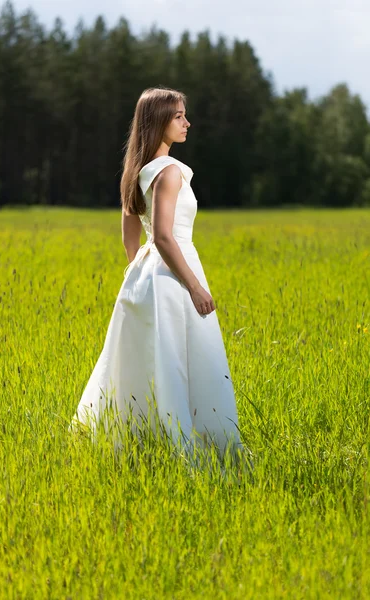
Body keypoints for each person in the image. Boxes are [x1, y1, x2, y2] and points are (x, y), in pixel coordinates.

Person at [69, 86, 244, 460]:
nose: (187, 122)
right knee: (185, 359)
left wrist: (141, 276)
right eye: (179, 116)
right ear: (159, 121)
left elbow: (131, 240)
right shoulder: (169, 173)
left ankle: (139, 440)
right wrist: (194, 285)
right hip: (174, 271)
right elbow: (164, 236)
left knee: (143, 360)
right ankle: (192, 442)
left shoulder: (137, 172)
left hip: (146, 275)